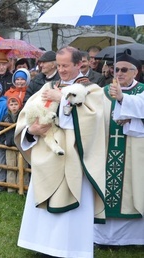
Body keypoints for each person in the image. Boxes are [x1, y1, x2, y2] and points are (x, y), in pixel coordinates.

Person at [15, 46, 107, 258]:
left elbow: (93, 122)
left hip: (72, 159)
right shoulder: (48, 86)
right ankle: (43, 246)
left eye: (66, 66)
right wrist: (31, 130)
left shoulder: (92, 90)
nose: (62, 70)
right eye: (59, 65)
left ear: (79, 64)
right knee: (44, 210)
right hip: (45, 157)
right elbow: (26, 114)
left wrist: (63, 98)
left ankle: (69, 249)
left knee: (70, 216)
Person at [94, 53, 144, 246]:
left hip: (135, 155)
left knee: (134, 191)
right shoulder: (103, 92)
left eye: (124, 70)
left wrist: (125, 104)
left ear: (136, 72)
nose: (119, 73)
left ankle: (135, 238)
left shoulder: (141, 91)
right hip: (106, 151)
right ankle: (101, 237)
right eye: (116, 69)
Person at [2, 96, 27, 193]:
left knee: (22, 167)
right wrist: (5, 140)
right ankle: (11, 187)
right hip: (9, 145)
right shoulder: (5, 118)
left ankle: (23, 187)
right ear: (8, 106)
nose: (14, 107)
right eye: (11, 105)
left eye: (16, 104)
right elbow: (1, 130)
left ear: (19, 105)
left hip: (21, 146)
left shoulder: (23, 117)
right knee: (10, 166)